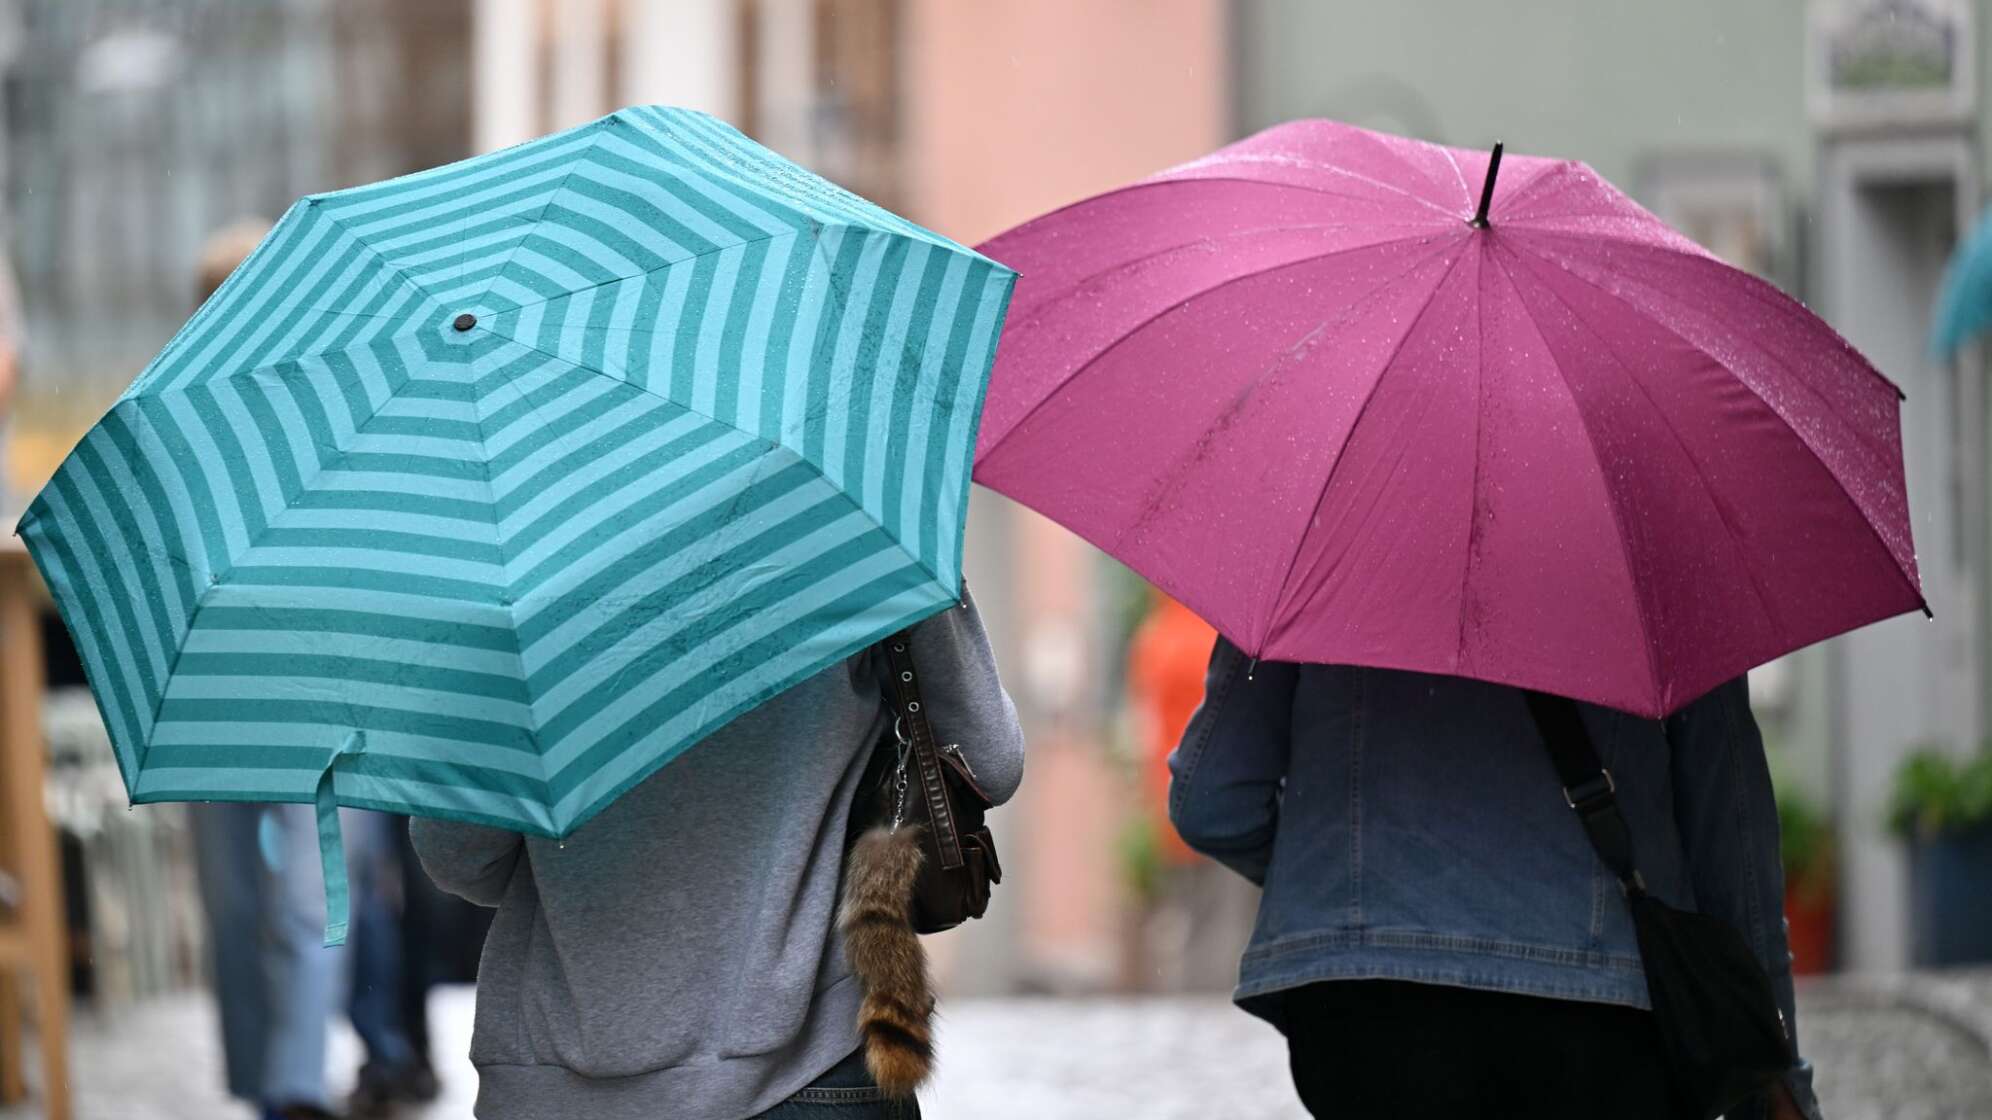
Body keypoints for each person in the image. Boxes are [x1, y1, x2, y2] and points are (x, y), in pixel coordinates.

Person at [413, 596, 1024, 1120]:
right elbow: (988, 762)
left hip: (558, 1079)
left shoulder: (522, 565)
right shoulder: (852, 522)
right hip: (812, 1064)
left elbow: (460, 854)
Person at [1168, 639, 1821, 1120]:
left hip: (1365, 1016)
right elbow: (1728, 826)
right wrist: (1773, 1066)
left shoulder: (1319, 539)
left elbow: (1211, 803)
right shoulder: (1661, 532)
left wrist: (1346, 887)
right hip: (1600, 1011)